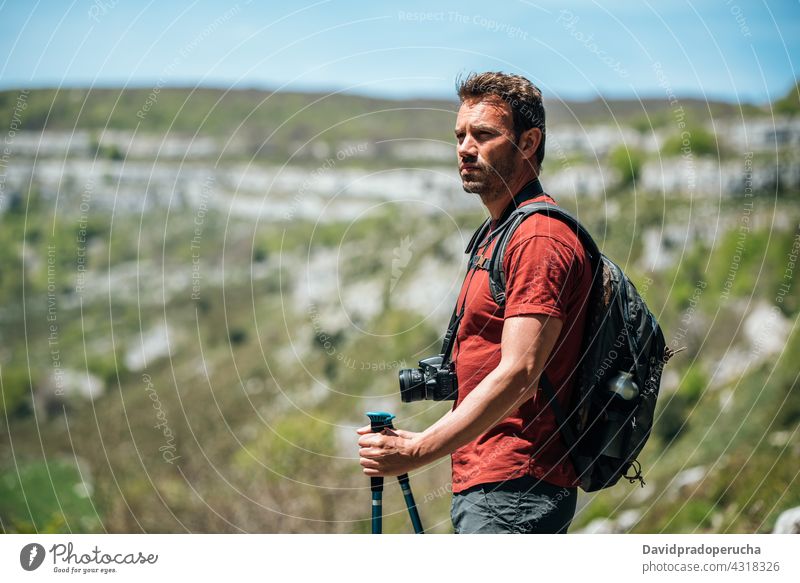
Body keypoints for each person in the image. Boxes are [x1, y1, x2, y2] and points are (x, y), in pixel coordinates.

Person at [357, 72, 593, 533]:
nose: (465, 148)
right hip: (493, 484)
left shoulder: (539, 237)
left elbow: (520, 374)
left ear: (529, 142)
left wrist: (418, 449)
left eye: (484, 135)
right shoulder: (499, 234)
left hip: (516, 487)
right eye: (460, 136)